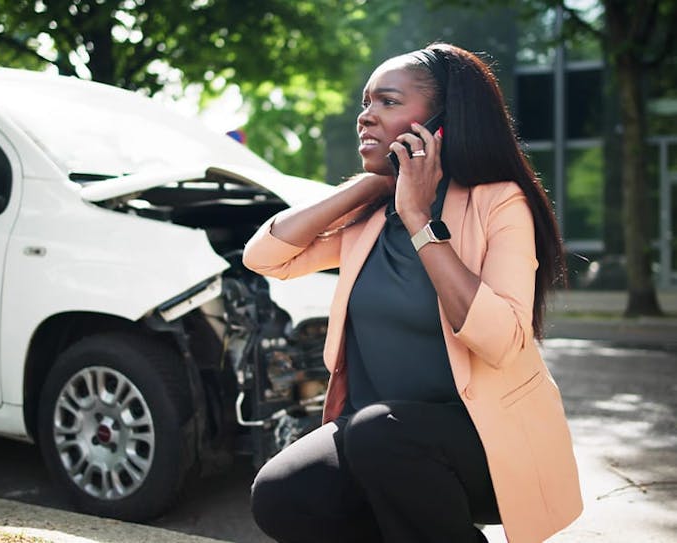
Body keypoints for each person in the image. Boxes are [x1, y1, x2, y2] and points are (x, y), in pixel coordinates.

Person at [242, 43, 583, 543]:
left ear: (440, 123)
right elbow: (264, 257)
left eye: (387, 102)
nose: (366, 117)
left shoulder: (499, 204)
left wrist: (421, 220)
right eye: (365, 103)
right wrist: (373, 187)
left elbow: (501, 340)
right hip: (375, 438)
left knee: (384, 433)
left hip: (481, 445)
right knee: (282, 495)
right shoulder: (373, 217)